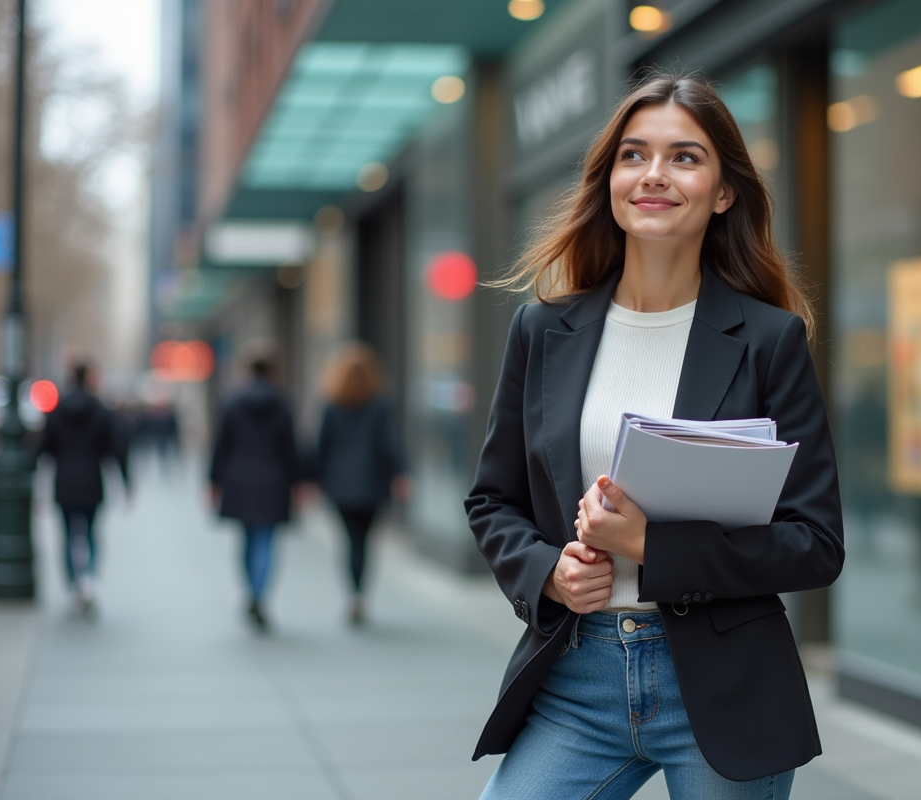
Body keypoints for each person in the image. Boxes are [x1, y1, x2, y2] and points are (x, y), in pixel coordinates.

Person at [466, 71, 845, 799]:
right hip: (577, 675)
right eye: (634, 155)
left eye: (685, 157)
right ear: (609, 179)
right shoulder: (544, 330)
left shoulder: (768, 340)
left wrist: (650, 547)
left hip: (722, 685)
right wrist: (548, 571)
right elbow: (492, 501)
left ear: (724, 190)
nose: (654, 175)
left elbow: (815, 542)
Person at [209, 346, 300, 631]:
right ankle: (260, 596)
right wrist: (299, 482)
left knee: (247, 540)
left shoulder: (232, 402)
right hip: (274, 479)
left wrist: (213, 481)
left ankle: (251, 591)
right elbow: (291, 448)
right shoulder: (282, 403)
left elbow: (221, 445)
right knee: (266, 540)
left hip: (239, 479)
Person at [316, 342, 407, 624]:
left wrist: (312, 480)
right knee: (364, 543)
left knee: (349, 541)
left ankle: (353, 595)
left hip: (339, 485)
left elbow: (321, 446)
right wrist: (399, 474)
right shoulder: (379, 405)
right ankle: (360, 595)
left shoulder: (331, 406)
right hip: (371, 486)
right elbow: (387, 444)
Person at [35, 361, 131, 615]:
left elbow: (43, 448)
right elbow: (115, 448)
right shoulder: (100, 410)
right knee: (90, 534)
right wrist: (126, 480)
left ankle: (72, 583)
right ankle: (87, 579)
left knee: (67, 535)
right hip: (91, 480)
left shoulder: (56, 410)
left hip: (64, 480)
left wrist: (34, 478)